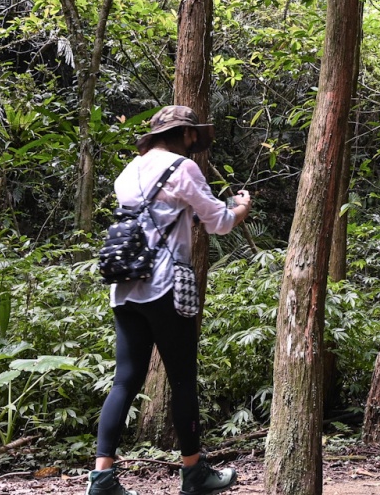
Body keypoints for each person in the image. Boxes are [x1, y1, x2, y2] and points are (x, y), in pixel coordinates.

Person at [90, 105, 253, 495]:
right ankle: (194, 473)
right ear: (187, 134)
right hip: (164, 287)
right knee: (182, 380)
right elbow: (220, 222)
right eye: (193, 135)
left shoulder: (129, 171)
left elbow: (154, 217)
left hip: (125, 286)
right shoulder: (183, 168)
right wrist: (241, 206)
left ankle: (102, 478)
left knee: (125, 381)